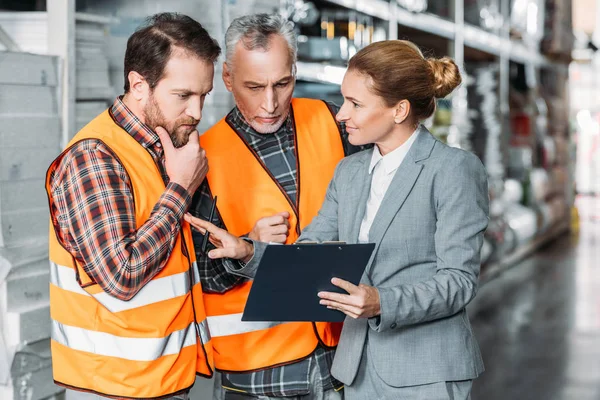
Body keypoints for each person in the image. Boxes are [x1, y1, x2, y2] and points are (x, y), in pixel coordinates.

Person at [186, 39, 490, 400]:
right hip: (356, 371)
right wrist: (248, 251)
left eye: (355, 104)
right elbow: (310, 253)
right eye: (344, 100)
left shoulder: (452, 169)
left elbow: (458, 282)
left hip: (427, 372)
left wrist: (382, 301)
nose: (341, 113)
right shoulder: (350, 171)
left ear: (399, 110)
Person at [45, 13, 221, 400]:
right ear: (139, 85)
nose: (197, 111)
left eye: (203, 95)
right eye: (183, 95)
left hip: (162, 379)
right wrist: (179, 188)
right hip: (112, 386)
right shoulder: (94, 157)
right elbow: (121, 275)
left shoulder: (168, 147)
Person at [189, 13, 364, 400]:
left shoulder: (332, 121)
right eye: (254, 87)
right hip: (260, 375)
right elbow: (201, 278)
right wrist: (246, 244)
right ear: (228, 79)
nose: (270, 103)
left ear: (294, 72)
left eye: (282, 84)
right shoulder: (203, 158)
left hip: (341, 357)